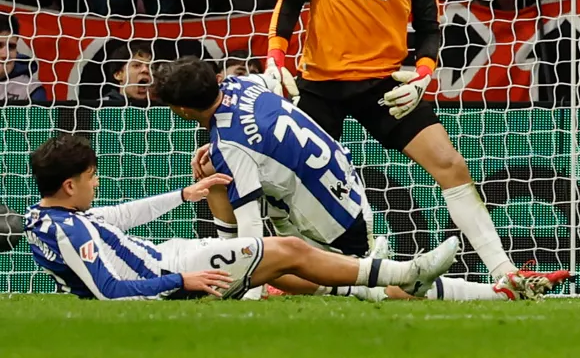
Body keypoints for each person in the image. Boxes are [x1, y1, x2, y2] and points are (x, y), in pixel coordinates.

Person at [266, 0, 566, 299]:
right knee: (285, 181)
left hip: (385, 86)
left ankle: (506, 272)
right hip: (320, 83)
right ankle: (266, 274)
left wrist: (424, 71)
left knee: (450, 163)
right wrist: (275, 55)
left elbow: (429, 28)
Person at [154, 57, 548, 302]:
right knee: (218, 179)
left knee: (328, 280)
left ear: (184, 109)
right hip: (345, 187)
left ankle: (490, 293)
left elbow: (252, 230)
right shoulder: (243, 85)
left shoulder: (231, 143)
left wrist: (247, 289)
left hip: (331, 225)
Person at [24, 133, 458, 300]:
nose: (96, 184)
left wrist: (182, 194)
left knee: (287, 269)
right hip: (176, 270)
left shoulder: (49, 217)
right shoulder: (65, 230)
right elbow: (108, 291)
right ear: (69, 186)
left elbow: (117, 216)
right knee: (289, 249)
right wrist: (181, 282)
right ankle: (403, 272)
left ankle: (372, 279)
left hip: (173, 254)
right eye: (92, 177)